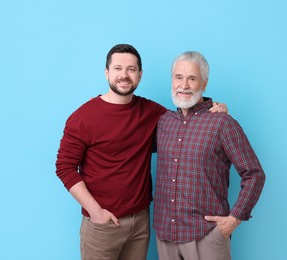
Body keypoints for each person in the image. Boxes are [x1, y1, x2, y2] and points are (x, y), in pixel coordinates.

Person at [55, 44, 227, 260]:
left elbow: (187, 123)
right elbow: (64, 166)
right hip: (102, 224)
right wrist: (96, 212)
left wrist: (215, 108)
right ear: (107, 72)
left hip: (141, 223)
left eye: (131, 69)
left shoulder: (152, 112)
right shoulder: (83, 117)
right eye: (117, 68)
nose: (124, 76)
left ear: (140, 75)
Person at [153, 51, 266, 260]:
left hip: (206, 236)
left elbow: (255, 174)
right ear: (172, 81)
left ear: (203, 83)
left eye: (192, 78)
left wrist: (234, 220)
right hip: (165, 236)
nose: (184, 85)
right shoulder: (163, 122)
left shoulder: (222, 123)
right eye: (179, 77)